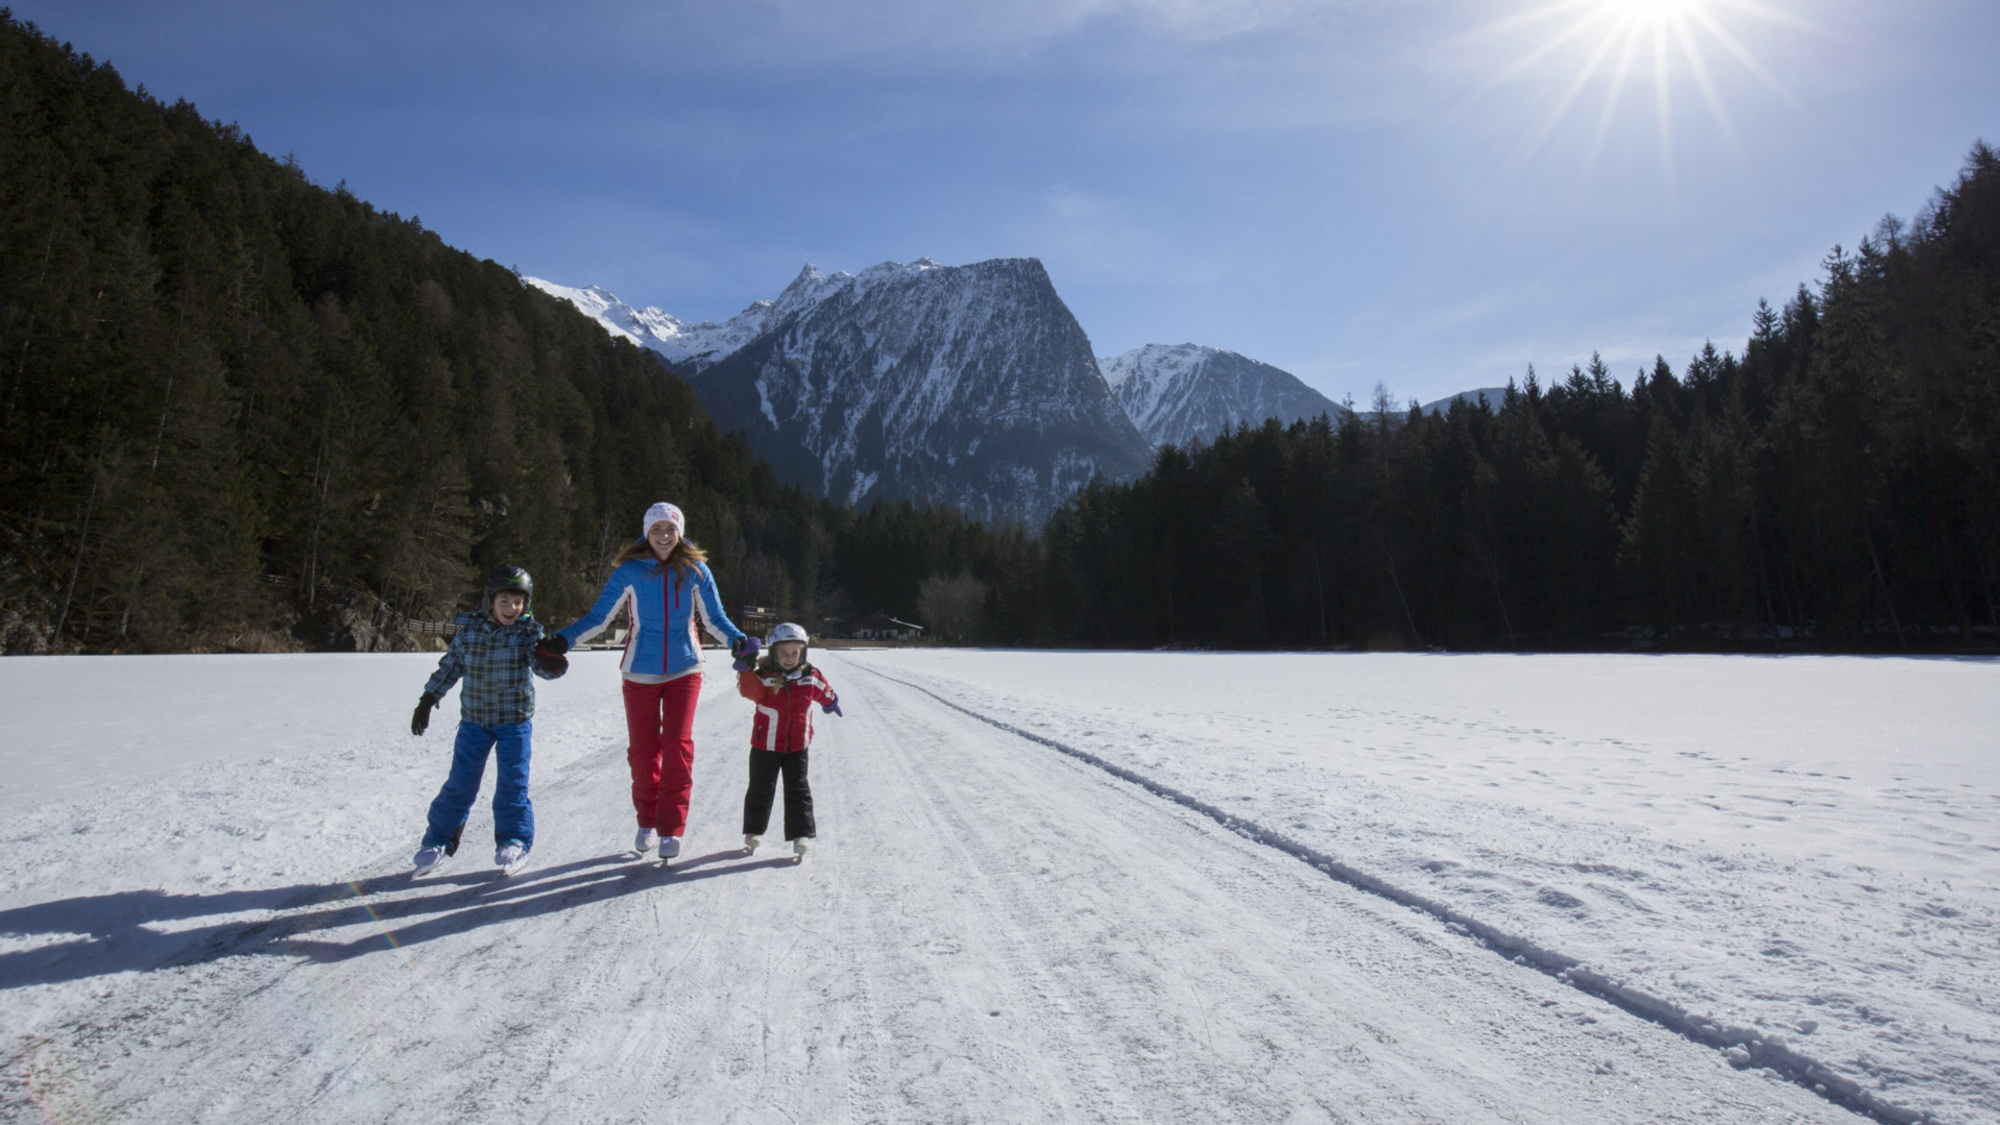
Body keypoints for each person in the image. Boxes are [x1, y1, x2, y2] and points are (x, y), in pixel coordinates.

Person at [536, 502, 753, 862]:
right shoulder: (629, 572)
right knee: (642, 752)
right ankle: (647, 822)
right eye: (657, 530)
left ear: (679, 533)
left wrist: (737, 640)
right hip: (639, 670)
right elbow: (599, 617)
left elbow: (715, 618)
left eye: (670, 530)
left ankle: (671, 828)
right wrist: (563, 640)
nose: (664, 536)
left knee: (677, 747)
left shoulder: (696, 570)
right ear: (647, 533)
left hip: (685, 669)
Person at [409, 565, 567, 877]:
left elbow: (546, 671)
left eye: (518, 602)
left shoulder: (529, 634)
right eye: (505, 601)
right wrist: (428, 699)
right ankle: (437, 840)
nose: (512, 609)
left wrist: (553, 657)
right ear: (490, 602)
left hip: (514, 723)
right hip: (474, 722)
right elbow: (450, 667)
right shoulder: (469, 634)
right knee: (460, 784)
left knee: (512, 784)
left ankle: (514, 840)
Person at [734, 622, 841, 859]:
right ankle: (754, 831)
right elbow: (748, 690)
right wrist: (745, 668)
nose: (790, 658)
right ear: (773, 652)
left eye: (795, 653)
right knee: (761, 788)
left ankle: (801, 834)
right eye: (784, 653)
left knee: (798, 789)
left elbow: (823, 689)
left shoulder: (810, 675)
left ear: (802, 652)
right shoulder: (764, 676)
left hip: (797, 746)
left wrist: (831, 702)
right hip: (766, 746)